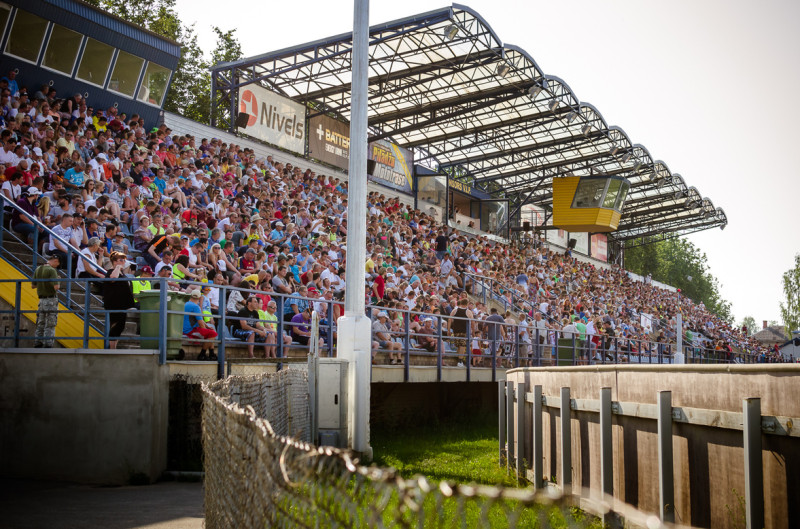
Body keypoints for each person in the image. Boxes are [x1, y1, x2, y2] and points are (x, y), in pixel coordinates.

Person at [103, 251, 135, 349]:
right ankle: (112, 348)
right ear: (114, 261)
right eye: (120, 260)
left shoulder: (121, 272)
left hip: (122, 303)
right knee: (116, 325)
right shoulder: (112, 271)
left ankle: (114, 347)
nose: (123, 262)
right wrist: (117, 267)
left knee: (120, 326)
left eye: (124, 260)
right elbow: (113, 278)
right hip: (114, 302)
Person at [32, 254, 61, 347]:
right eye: (58, 263)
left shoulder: (38, 269)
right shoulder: (52, 270)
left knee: (41, 323)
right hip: (51, 299)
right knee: (50, 323)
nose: (57, 265)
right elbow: (56, 287)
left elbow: (33, 285)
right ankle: (48, 344)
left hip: (41, 301)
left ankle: (38, 342)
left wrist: (43, 284)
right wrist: (57, 280)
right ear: (55, 261)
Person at [183, 289, 218, 360]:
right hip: (190, 330)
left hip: (185, 329)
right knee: (213, 334)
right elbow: (200, 323)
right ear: (199, 298)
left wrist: (207, 327)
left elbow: (200, 320)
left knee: (211, 331)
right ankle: (202, 354)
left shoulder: (186, 304)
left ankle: (212, 354)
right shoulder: (196, 307)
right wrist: (206, 331)